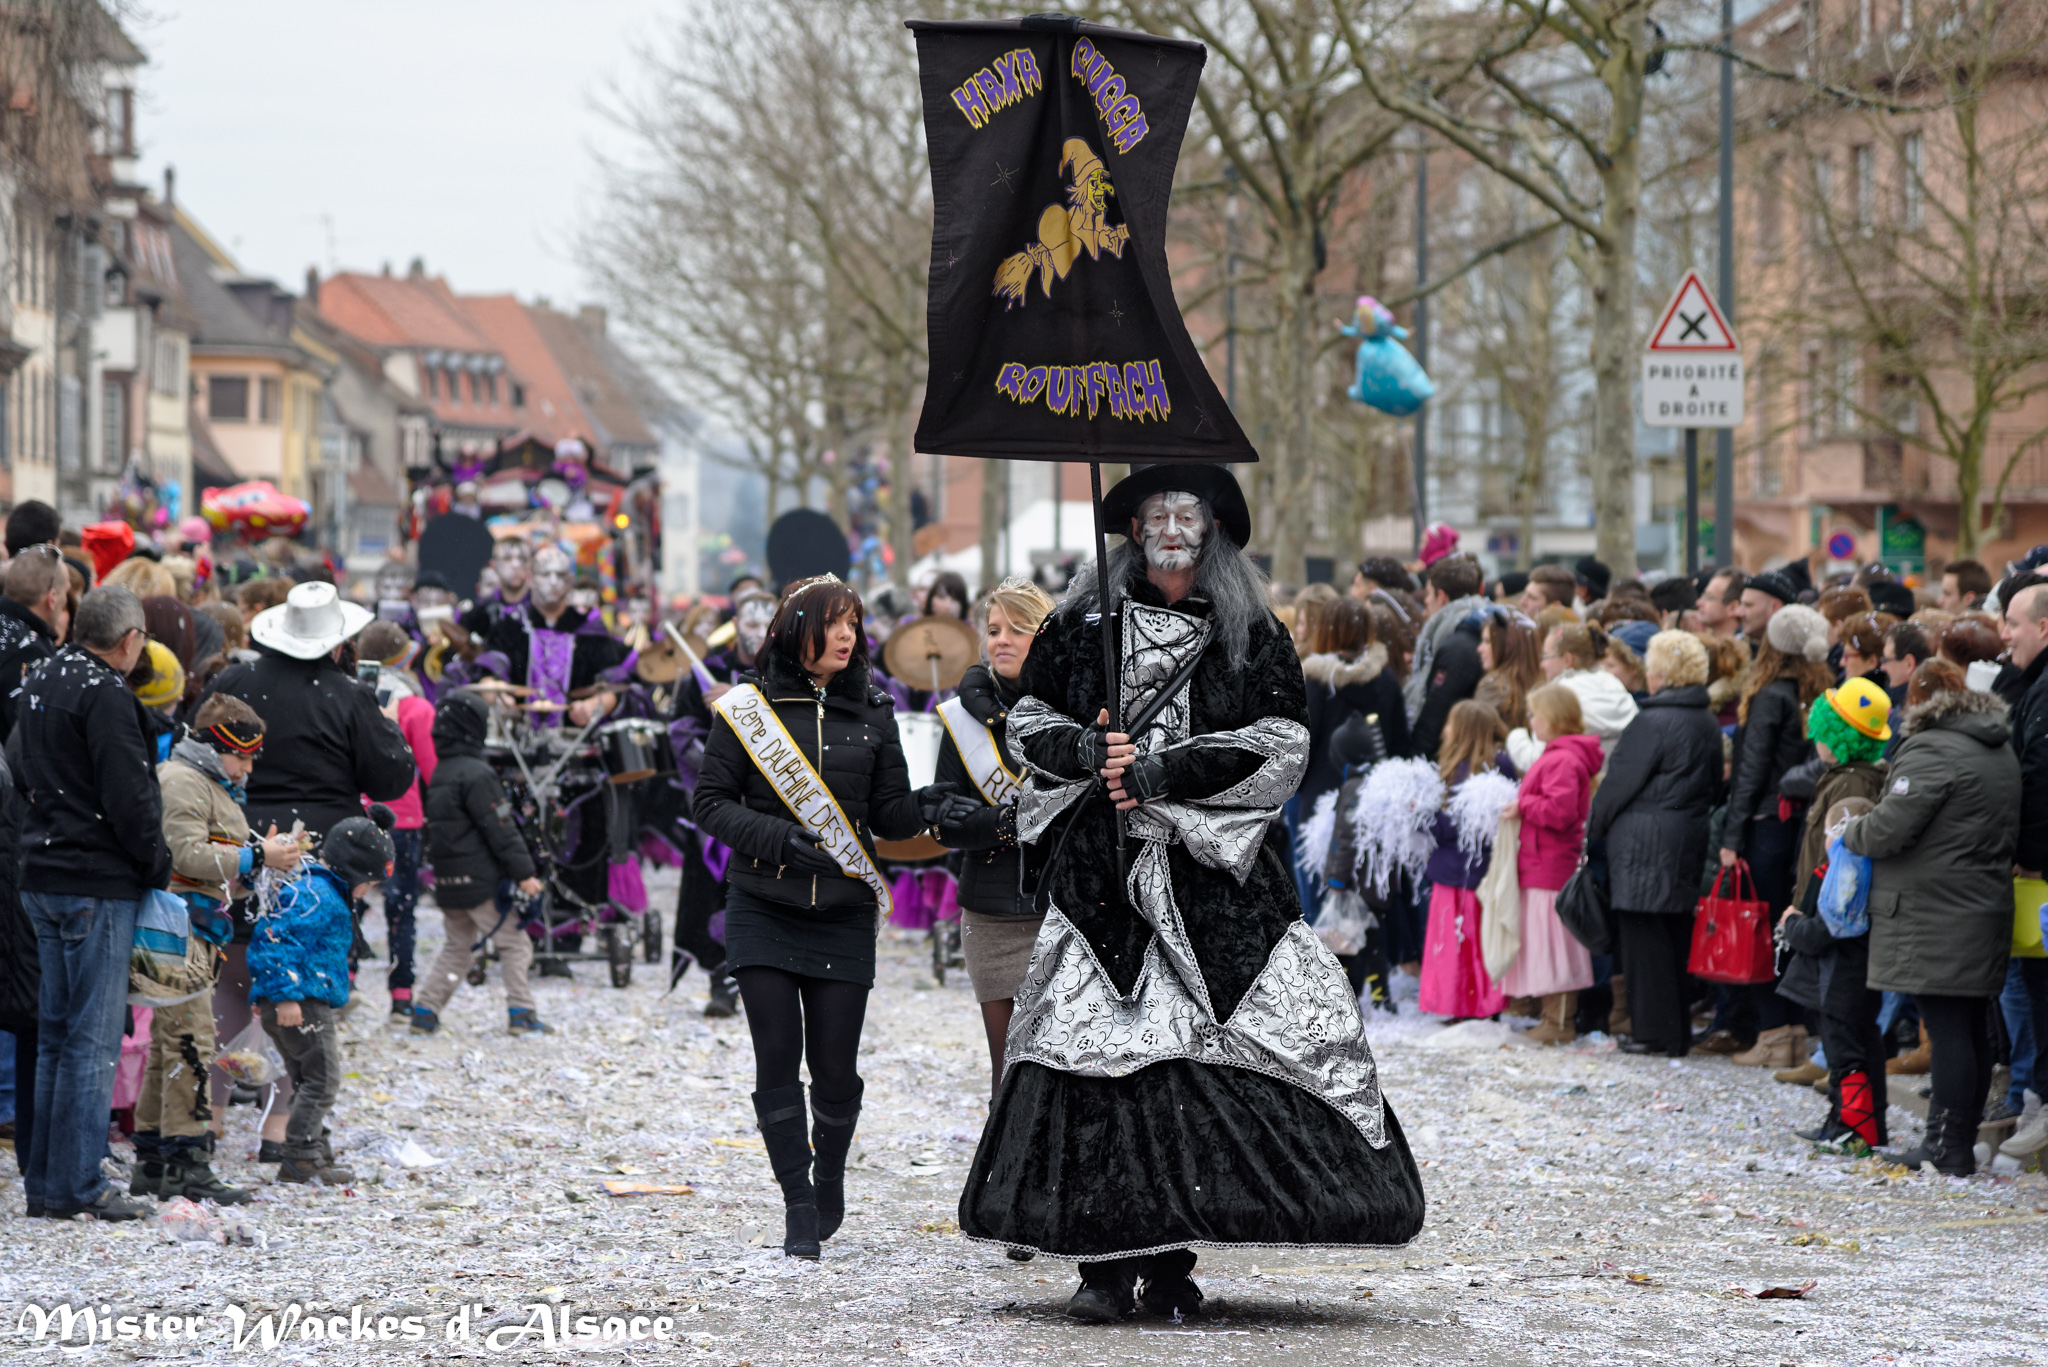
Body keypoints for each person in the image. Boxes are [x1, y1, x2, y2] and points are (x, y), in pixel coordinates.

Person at [960, 466, 1425, 1320]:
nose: (1174, 526)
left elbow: (1283, 745)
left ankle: (1175, 1254)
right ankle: (1105, 1264)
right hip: (1103, 887)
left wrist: (1167, 769)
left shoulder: (1254, 633)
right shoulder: (1076, 623)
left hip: (1220, 892)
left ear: (1213, 529)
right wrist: (1084, 750)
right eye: (1158, 513)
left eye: (1190, 513)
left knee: (1209, 1062)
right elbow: (1029, 721)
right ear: (1134, 528)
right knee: (1095, 1066)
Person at [691, 576, 945, 1260]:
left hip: (841, 911)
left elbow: (891, 816)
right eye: (834, 622)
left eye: (854, 624)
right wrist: (777, 839)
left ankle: (828, 1174)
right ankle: (797, 1203)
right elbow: (709, 803)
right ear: (795, 628)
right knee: (776, 1054)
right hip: (761, 906)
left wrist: (934, 804)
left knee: (835, 1069)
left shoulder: (876, 710)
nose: (848, 635)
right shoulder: (748, 710)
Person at [8, 586, 170, 1219]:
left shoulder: (45, 674)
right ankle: (77, 1184)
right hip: (91, 880)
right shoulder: (106, 693)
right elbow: (131, 800)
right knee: (91, 1041)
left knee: (53, 1038)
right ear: (129, 641)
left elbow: (18, 766)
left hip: (42, 870)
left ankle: (46, 1183)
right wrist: (156, 865)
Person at [1842, 660, 2020, 1175]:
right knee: (1969, 1028)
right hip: (1980, 901)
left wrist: (1848, 832)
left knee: (1947, 1028)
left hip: (1933, 909)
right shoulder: (1997, 744)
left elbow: (1887, 830)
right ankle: (1956, 1143)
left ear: (1917, 702)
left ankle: (1945, 1147)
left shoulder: (1931, 747)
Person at [133, 694, 303, 1204]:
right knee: (190, 1043)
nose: (249, 767)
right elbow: (184, 854)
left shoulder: (208, 783)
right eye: (242, 756)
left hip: (197, 928)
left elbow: (214, 863)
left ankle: (155, 1159)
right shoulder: (183, 781)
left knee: (173, 1043)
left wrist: (260, 864)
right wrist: (255, 854)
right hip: (178, 931)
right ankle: (186, 1160)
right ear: (214, 745)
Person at [931, 578, 1055, 1097]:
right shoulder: (960, 721)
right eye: (993, 630)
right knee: (1007, 1076)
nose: (1001, 640)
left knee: (1061, 1070)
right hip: (992, 915)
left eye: (1018, 629)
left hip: (1063, 915)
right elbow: (944, 819)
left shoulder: (1075, 710)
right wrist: (1007, 823)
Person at [1586, 630, 1722, 1058]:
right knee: (1674, 938)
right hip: (1687, 835)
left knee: (1644, 941)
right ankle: (1675, 1031)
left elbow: (1618, 784)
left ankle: (1652, 1032)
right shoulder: (1705, 719)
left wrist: (1594, 828)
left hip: (1645, 844)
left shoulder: (1653, 720)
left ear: (1661, 671)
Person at [249, 806, 397, 1186]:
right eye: (372, 882)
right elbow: (276, 938)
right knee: (324, 1078)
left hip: (298, 997)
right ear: (356, 871)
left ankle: (314, 1148)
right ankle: (299, 1154)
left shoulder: (317, 889)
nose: (370, 891)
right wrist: (283, 996)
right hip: (301, 1001)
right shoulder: (319, 895)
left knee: (308, 1079)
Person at [205, 582, 415, 842]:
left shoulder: (231, 681)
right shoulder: (349, 694)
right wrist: (388, 726)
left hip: (235, 837)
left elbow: (193, 749)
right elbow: (388, 780)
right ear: (338, 644)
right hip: (324, 844)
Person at [1776, 680, 1892, 1151]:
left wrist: (1804, 915)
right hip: (1828, 908)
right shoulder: (1844, 774)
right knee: (1847, 1027)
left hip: (1840, 919)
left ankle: (1855, 1125)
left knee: (1846, 1030)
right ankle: (1850, 1120)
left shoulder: (1853, 782)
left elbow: (1843, 864)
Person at [1717, 604, 1832, 1065]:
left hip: (1766, 824)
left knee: (1760, 925)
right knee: (1791, 923)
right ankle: (1795, 1031)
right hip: (1804, 824)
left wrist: (1730, 836)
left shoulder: (1769, 696)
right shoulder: (1820, 692)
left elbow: (1751, 771)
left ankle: (1773, 1033)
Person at [412, 690, 551, 1036]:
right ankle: (522, 1011)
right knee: (515, 942)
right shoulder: (478, 774)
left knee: (458, 946)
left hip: (448, 879)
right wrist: (525, 875)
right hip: (480, 881)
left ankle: (426, 1010)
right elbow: (500, 829)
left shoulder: (441, 771)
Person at [667, 587, 777, 1015]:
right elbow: (677, 733)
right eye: (749, 622)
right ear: (736, 626)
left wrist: (741, 707)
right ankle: (721, 979)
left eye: (766, 623)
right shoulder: (707, 670)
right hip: (722, 806)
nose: (758, 632)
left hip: (773, 807)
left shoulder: (792, 674)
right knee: (716, 890)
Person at [1508, 685, 1602, 1044]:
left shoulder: (1563, 759)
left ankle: (1559, 1020)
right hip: (1541, 860)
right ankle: (1551, 1015)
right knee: (1549, 944)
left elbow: (1560, 813)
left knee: (1557, 946)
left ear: (1554, 717)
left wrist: (1524, 806)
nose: (1530, 721)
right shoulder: (1559, 755)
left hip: (1551, 863)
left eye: (1535, 714)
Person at [355, 621, 436, 1018]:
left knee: (347, 902)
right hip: (404, 821)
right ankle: (402, 991)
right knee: (402, 909)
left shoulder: (352, 699)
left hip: (357, 816)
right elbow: (431, 768)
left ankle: (346, 979)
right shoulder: (418, 709)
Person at [1418, 700, 1517, 1020]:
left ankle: (1460, 1003)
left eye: (1449, 724)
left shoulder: (1464, 770)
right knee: (1476, 941)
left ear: (1462, 730)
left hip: (1458, 872)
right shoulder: (1498, 764)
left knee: (1456, 943)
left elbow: (1454, 828)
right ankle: (1481, 1003)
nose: (1444, 731)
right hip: (1477, 872)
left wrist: (1421, 816)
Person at [1998, 580, 2048, 1163]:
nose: (2005, 632)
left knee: (2038, 988)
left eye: (2013, 621)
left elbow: (2039, 780)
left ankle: (2037, 1096)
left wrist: (2026, 853)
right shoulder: (2033, 684)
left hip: (2041, 865)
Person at [1516, 622, 1637, 764]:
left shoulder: (1560, 696)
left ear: (1568, 659)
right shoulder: (1614, 684)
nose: (1542, 664)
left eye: (1545, 656)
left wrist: (1516, 738)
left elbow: (1539, 759)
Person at [1406, 553, 1488, 760]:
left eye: (1428, 594)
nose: (1425, 604)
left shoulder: (1457, 645)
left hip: (1448, 756)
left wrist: (1414, 758)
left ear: (1441, 597)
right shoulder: (1480, 628)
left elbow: (1437, 711)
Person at [1474, 606, 1541, 734]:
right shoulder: (1543, 684)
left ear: (1508, 646)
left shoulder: (1493, 686)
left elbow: (1480, 737)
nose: (1479, 649)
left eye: (1487, 642)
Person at [1736, 569, 1797, 647]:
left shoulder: (1801, 654)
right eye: (1741, 605)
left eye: (1748, 605)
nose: (1739, 613)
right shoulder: (1737, 651)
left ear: (1775, 607)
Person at [1696, 568, 1746, 638]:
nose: (1698, 603)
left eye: (1709, 597)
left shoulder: (1745, 647)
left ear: (1732, 607)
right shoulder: (1700, 644)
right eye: (1703, 595)